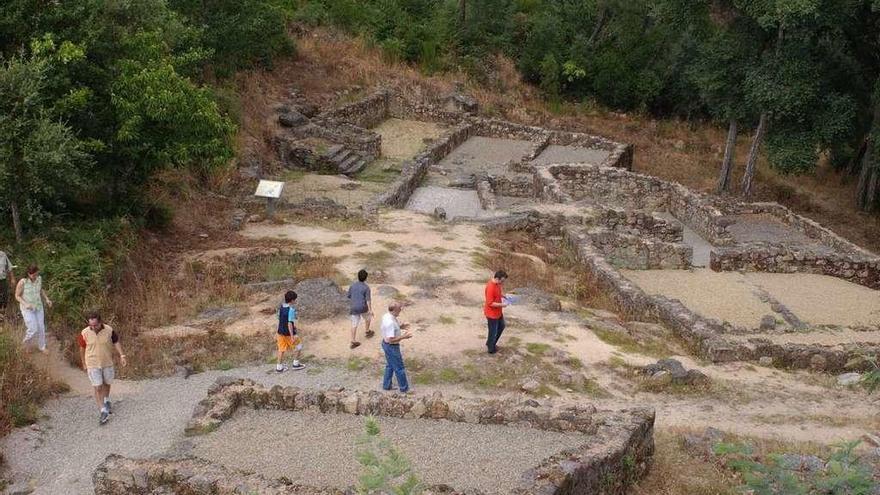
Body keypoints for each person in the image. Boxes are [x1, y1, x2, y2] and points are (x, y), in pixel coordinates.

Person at [77, 311, 127, 425]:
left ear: (100, 322)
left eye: (95, 325)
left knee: (107, 383)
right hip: (92, 363)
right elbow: (82, 348)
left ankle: (106, 400)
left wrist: (122, 355)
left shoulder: (109, 330)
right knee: (98, 387)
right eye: (91, 325)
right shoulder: (84, 333)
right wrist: (83, 363)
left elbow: (116, 342)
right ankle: (103, 410)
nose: (93, 328)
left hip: (107, 362)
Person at [16, 265, 51, 353]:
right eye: (33, 275)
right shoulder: (23, 282)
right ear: (28, 273)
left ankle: (42, 346)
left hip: (38, 306)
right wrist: (26, 304)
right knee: (33, 329)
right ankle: (25, 344)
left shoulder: (39, 278)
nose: (35, 276)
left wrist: (47, 299)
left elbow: (40, 289)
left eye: (37, 274)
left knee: (41, 327)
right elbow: (17, 296)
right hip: (27, 309)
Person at [380, 302, 412, 393]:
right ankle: (404, 389)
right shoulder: (390, 322)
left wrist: (401, 327)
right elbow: (391, 340)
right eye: (399, 309)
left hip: (386, 344)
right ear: (394, 310)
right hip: (391, 347)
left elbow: (390, 330)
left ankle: (386, 386)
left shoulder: (387, 316)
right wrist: (404, 337)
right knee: (399, 367)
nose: (400, 310)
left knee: (390, 366)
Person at [276, 290, 305, 372]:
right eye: (295, 299)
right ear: (292, 300)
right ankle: (296, 364)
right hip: (289, 333)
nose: (295, 301)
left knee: (281, 349)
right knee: (299, 346)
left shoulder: (281, 307)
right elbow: (289, 323)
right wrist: (292, 336)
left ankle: (279, 367)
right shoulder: (291, 310)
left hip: (280, 332)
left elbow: (278, 317)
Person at [347, 269, 373, 350]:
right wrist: (370, 310)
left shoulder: (352, 286)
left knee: (354, 324)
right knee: (368, 318)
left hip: (353, 307)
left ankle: (353, 340)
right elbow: (368, 300)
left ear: (358, 276)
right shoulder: (366, 287)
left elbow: (349, 296)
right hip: (363, 307)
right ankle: (367, 331)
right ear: (366, 278)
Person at [483, 270, 508, 354]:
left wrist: (503, 296)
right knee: (493, 332)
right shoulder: (491, 287)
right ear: (497, 278)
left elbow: (498, 293)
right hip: (492, 314)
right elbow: (490, 303)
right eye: (502, 281)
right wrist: (502, 305)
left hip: (498, 312)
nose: (503, 283)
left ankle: (490, 343)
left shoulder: (497, 284)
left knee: (502, 326)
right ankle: (491, 349)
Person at [0, 250, 15, 314]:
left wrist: (12, 278)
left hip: (3, 279)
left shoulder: (3, 254)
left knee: (5, 296)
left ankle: (3, 310)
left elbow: (10, 267)